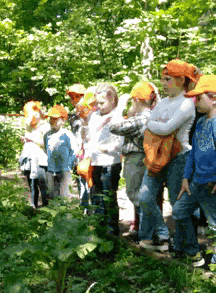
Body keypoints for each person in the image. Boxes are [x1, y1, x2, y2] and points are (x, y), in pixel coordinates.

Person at [174, 75, 216, 267]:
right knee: (179, 212)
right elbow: (193, 153)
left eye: (198, 98)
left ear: (214, 99)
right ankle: (193, 253)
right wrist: (186, 177)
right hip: (195, 182)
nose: (195, 102)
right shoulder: (201, 123)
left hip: (213, 184)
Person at [138, 60, 197, 252]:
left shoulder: (187, 103)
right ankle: (163, 232)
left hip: (179, 158)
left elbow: (165, 128)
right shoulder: (163, 102)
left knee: (176, 203)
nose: (163, 83)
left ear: (180, 80)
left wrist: (152, 125)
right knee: (145, 196)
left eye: (167, 79)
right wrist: (156, 126)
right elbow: (159, 127)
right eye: (162, 79)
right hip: (156, 156)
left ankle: (182, 246)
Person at [109, 81, 157, 241]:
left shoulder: (140, 119)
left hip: (135, 159)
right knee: (142, 195)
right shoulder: (150, 116)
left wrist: (120, 106)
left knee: (135, 194)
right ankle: (146, 232)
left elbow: (114, 126)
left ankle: (152, 233)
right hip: (143, 158)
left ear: (137, 100)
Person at [84, 84, 123, 236]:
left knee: (109, 197)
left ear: (112, 100)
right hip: (95, 162)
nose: (98, 106)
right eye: (97, 103)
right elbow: (90, 137)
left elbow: (121, 142)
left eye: (102, 103)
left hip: (110, 162)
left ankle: (112, 230)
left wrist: (107, 148)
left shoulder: (117, 116)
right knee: (96, 195)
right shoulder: (94, 116)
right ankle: (98, 227)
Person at [18, 101, 49, 209]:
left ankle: (47, 208)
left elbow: (46, 144)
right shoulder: (30, 127)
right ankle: (33, 207)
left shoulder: (45, 127)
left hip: (41, 161)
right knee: (32, 185)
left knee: (43, 185)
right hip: (29, 160)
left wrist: (31, 139)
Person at [44, 104, 77, 199]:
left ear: (62, 120)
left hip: (64, 169)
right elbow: (47, 149)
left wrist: (69, 164)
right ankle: (53, 212)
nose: (53, 121)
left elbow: (74, 150)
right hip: (51, 169)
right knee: (51, 194)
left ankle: (66, 213)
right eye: (51, 119)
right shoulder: (47, 135)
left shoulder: (67, 134)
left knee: (64, 195)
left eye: (56, 119)